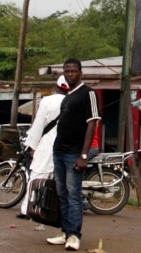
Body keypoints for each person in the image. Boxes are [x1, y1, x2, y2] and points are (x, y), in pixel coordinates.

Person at [46, 59, 100, 251]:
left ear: (80, 73)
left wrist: (84, 155)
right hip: (59, 151)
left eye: (73, 71)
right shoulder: (67, 96)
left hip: (74, 154)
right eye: (67, 71)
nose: (70, 74)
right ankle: (64, 231)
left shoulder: (88, 93)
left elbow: (92, 124)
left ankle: (75, 236)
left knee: (73, 195)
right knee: (61, 194)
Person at [17, 75, 69, 219]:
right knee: (60, 179)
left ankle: (26, 208)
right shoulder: (74, 102)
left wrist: (32, 145)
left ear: (56, 86)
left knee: (37, 175)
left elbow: (38, 125)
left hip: (47, 144)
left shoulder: (47, 101)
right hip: (66, 146)